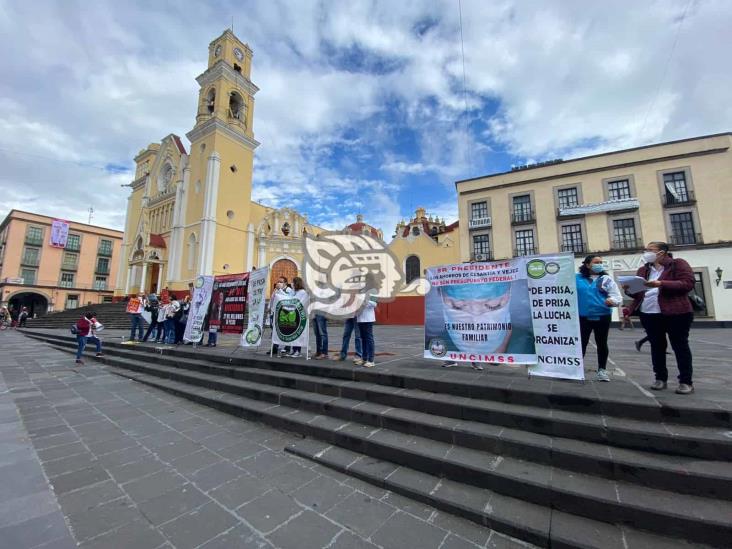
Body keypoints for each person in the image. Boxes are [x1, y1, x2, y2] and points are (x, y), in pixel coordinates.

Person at [624, 242, 696, 394]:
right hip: (649, 313)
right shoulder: (643, 270)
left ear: (662, 252)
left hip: (676, 312)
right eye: (646, 250)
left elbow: (687, 284)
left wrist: (661, 283)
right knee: (656, 347)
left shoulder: (677, 264)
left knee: (680, 346)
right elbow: (638, 294)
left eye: (650, 250)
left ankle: (685, 381)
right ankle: (660, 378)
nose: (646, 253)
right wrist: (629, 290)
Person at [576, 255, 622, 382]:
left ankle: (602, 370)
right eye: (596, 262)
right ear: (587, 264)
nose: (599, 264)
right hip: (583, 317)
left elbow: (617, 296)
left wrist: (611, 301)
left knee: (602, 343)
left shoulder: (606, 279)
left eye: (601, 262)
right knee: (581, 344)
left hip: (602, 316)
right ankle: (577, 369)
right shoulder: (576, 279)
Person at [270, 276, 294, 357]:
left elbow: (287, 299)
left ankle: (287, 347)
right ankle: (274, 348)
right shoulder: (276, 289)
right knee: (274, 330)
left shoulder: (289, 290)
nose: (279, 283)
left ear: (285, 283)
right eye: (278, 281)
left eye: (281, 282)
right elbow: (272, 299)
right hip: (275, 312)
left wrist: (280, 290)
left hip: (284, 313)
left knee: (286, 330)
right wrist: (269, 308)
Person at [355, 286, 377, 368]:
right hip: (360, 318)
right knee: (363, 339)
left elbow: (374, 304)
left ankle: (371, 360)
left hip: (368, 318)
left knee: (369, 339)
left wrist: (364, 301)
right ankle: (364, 358)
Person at [285, 277, 308, 358]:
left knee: (298, 334)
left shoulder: (302, 292)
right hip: (292, 314)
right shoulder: (294, 291)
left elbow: (300, 302)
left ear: (297, 283)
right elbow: (289, 298)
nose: (292, 284)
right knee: (293, 333)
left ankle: (298, 351)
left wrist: (294, 309)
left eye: (293, 282)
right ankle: (293, 350)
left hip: (298, 315)